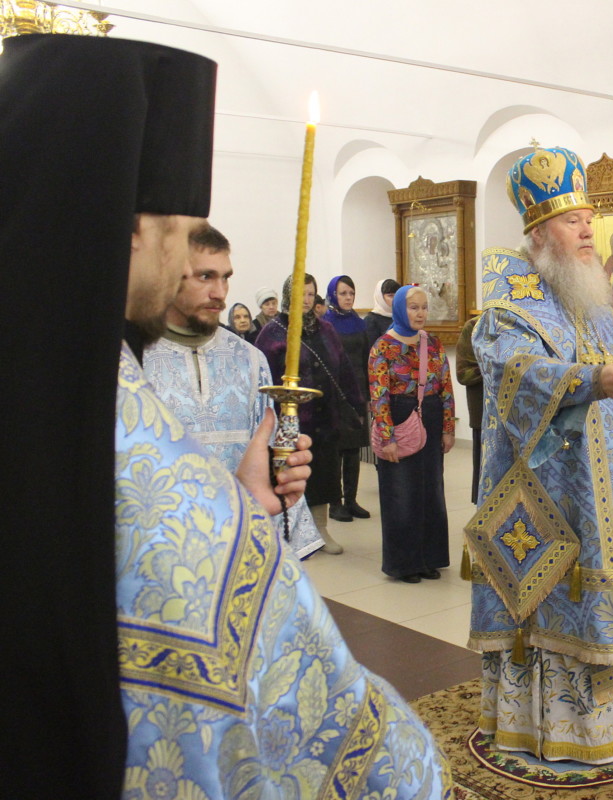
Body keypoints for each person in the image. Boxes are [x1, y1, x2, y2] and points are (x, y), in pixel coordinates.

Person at [0, 33, 448, 799]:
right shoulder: (135, 442)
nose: (188, 274)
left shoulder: (87, 364)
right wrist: (234, 516)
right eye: (180, 243)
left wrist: (254, 493)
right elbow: (348, 739)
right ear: (132, 231)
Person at [467, 146, 613, 764]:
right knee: (558, 606)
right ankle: (548, 730)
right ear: (538, 233)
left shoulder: (590, 300)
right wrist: (595, 382)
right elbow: (518, 376)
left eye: (590, 217)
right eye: (571, 220)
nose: (588, 230)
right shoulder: (508, 309)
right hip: (549, 492)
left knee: (611, 603)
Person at [144, 222, 323, 559]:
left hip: (240, 542)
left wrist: (285, 480)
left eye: (225, 277)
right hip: (160, 550)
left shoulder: (249, 360)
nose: (220, 292)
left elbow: (272, 450)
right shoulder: (133, 357)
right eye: (205, 276)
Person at [257, 273, 364, 555]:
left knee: (325, 476)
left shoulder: (326, 330)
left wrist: (356, 404)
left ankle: (320, 529)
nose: (305, 300)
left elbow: (343, 370)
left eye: (309, 294)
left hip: (325, 419)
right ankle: (289, 532)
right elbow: (262, 377)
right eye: (299, 294)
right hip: (289, 422)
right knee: (291, 476)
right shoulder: (272, 333)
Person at [369, 285, 455, 582]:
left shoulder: (432, 344)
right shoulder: (383, 346)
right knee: (402, 494)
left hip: (429, 418)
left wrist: (447, 428)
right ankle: (404, 563)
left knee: (431, 492)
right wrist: (387, 437)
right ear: (400, 310)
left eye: (424, 307)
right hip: (399, 417)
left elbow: (445, 387)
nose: (420, 313)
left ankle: (428, 558)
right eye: (413, 307)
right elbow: (378, 396)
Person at [324, 274, 372, 521]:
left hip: (357, 393)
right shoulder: (325, 323)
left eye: (351, 293)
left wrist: (368, 393)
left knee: (353, 449)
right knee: (336, 451)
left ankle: (351, 500)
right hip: (335, 394)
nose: (348, 298)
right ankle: (335, 503)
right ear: (333, 294)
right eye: (343, 293)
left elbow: (366, 359)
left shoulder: (359, 323)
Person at [455, 314, 485, 503]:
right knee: (484, 477)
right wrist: (493, 368)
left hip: (516, 418)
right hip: (483, 415)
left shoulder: (517, 325)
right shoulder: (473, 326)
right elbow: (462, 374)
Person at [365, 277, 401, 346]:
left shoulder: (400, 317)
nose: (395, 299)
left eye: (397, 296)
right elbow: (371, 349)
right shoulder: (371, 320)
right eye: (390, 296)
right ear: (380, 297)